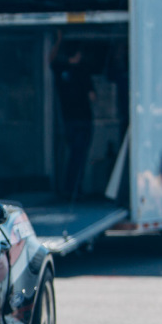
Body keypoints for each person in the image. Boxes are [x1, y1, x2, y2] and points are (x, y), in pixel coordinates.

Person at [50, 31, 97, 200]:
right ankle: (75, 189)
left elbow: (51, 60)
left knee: (72, 155)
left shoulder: (61, 69)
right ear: (79, 54)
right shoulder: (83, 71)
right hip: (83, 120)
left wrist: (58, 41)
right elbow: (93, 97)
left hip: (67, 120)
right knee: (80, 156)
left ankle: (69, 188)